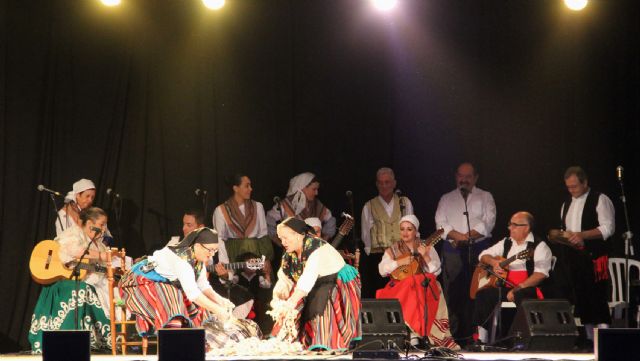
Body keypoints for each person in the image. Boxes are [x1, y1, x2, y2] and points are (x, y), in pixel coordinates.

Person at [119, 227, 234, 336]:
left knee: (198, 304)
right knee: (172, 297)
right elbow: (193, 294)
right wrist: (218, 310)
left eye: (215, 250)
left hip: (164, 283)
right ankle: (173, 341)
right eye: (210, 250)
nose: (213, 254)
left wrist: (220, 300)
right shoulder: (181, 260)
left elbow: (203, 286)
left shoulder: (198, 260)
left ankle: (196, 341)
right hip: (140, 281)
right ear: (198, 246)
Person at [270, 217, 361, 350]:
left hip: (335, 279)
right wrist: (278, 299)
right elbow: (284, 278)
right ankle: (288, 339)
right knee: (293, 298)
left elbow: (306, 281)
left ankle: (324, 341)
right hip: (316, 281)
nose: (283, 242)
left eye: (285, 238)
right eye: (280, 238)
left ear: (299, 235)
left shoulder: (315, 248)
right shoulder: (289, 254)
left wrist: (289, 304)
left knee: (319, 302)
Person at [29, 207, 112, 353]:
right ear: (89, 223)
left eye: (105, 224)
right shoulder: (74, 233)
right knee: (84, 289)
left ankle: (101, 339)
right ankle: (68, 340)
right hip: (66, 280)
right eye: (101, 224)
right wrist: (100, 256)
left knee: (111, 290)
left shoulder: (99, 245)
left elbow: (99, 266)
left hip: (89, 280)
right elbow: (74, 251)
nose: (104, 228)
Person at [435, 162, 496, 342]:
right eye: (461, 176)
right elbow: (440, 223)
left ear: (475, 178)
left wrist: (467, 236)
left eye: (468, 176)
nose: (464, 180)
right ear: (456, 177)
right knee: (453, 294)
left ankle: (478, 337)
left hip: (479, 249)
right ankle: (452, 336)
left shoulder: (485, 197)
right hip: (453, 251)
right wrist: (459, 237)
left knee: (479, 291)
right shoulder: (446, 198)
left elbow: (488, 222)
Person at [376, 215, 458, 349]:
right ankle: (413, 333)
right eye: (402, 229)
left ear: (415, 231)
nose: (405, 233)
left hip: (421, 285)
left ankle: (418, 333)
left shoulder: (426, 246)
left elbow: (436, 271)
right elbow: (381, 270)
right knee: (409, 285)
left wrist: (425, 256)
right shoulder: (393, 249)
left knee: (421, 283)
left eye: (409, 229)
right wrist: (399, 262)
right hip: (400, 286)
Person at [471, 211, 552, 344]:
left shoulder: (539, 246)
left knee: (521, 295)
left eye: (514, 225)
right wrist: (494, 262)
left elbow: (540, 274)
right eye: (510, 224)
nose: (510, 228)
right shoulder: (506, 242)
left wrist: (517, 288)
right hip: (505, 286)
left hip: (528, 288)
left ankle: (523, 339)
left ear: (526, 227)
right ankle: (481, 339)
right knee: (484, 294)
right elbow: (483, 255)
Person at [559, 166, 614, 344]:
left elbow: (608, 228)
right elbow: (567, 230)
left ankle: (604, 339)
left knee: (597, 296)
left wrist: (582, 235)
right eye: (568, 187)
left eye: (575, 186)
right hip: (574, 258)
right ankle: (590, 340)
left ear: (585, 182)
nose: (571, 190)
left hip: (594, 256)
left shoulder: (600, 199)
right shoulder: (566, 203)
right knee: (581, 298)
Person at [361, 167, 413, 298]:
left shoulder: (404, 202)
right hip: (378, 255)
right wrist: (371, 252)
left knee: (401, 293)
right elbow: (366, 233)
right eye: (381, 182)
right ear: (377, 184)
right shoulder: (369, 205)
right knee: (380, 293)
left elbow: (411, 226)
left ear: (394, 183)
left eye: (387, 182)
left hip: (401, 255)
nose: (384, 186)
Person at [267, 172, 336, 241]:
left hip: (313, 247)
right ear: (302, 187)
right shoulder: (286, 204)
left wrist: (323, 240)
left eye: (317, 189)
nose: (316, 193)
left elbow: (330, 220)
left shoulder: (317, 205)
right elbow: (269, 220)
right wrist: (279, 240)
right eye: (314, 189)